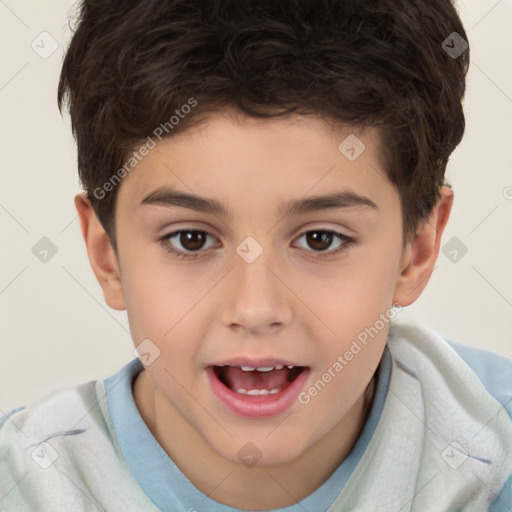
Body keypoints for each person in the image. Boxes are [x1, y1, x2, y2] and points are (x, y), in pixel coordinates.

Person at [1, 0, 511, 510]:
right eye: (191, 239)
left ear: (415, 251)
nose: (255, 308)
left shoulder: (493, 452)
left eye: (320, 240)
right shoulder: (24, 484)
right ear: (107, 254)